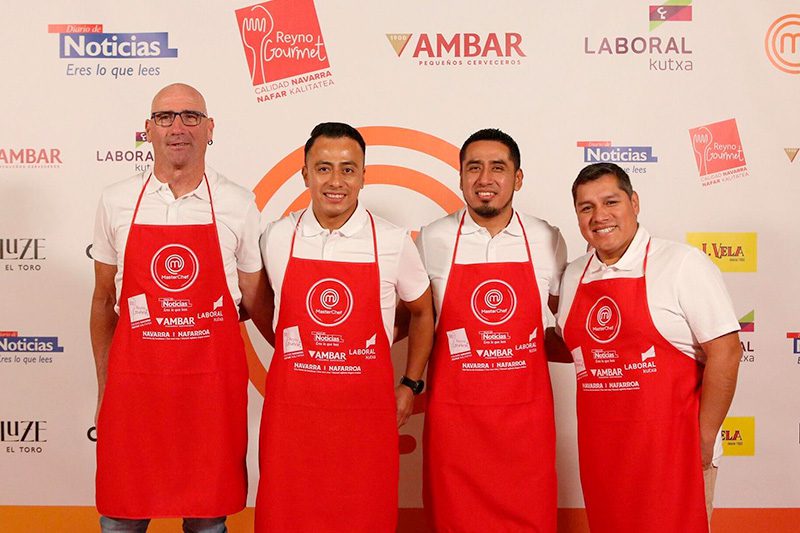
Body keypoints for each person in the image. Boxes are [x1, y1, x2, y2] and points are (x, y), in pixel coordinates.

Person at [90, 83, 272, 533]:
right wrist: (104, 388)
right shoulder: (115, 200)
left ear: (210, 129)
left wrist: (295, 367)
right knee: (120, 519)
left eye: (191, 116)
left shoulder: (237, 203)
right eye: (165, 117)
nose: (178, 127)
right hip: (135, 393)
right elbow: (103, 300)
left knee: (207, 523)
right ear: (147, 130)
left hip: (209, 394)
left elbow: (254, 299)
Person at [255, 122, 434, 532]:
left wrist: (410, 384)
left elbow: (423, 313)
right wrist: (290, 347)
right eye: (323, 168)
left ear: (363, 176)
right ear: (305, 174)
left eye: (348, 169)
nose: (336, 181)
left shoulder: (391, 241)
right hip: (291, 419)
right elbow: (262, 304)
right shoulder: (277, 237)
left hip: (365, 420)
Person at [556, 162, 741, 533]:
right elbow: (576, 345)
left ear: (634, 202)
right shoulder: (574, 273)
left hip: (673, 454)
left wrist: (704, 438)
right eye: (586, 207)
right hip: (604, 459)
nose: (599, 216)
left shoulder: (682, 264)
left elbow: (727, 350)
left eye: (611, 202)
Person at [415, 128, 566, 531]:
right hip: (455, 421)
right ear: (460, 176)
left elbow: (565, 321)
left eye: (498, 168)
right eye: (474, 168)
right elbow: (414, 319)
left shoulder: (547, 238)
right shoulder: (432, 238)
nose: (485, 179)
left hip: (526, 421)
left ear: (518, 178)